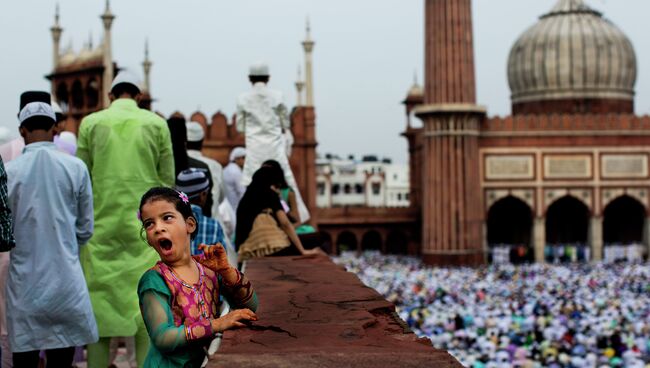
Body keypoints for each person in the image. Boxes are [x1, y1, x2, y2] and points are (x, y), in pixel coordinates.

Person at [76, 70, 175, 367]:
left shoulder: (91, 124)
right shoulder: (156, 124)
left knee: (99, 314)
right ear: (139, 96)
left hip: (100, 234)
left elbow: (82, 180)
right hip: (146, 233)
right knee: (148, 309)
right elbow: (167, 183)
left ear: (110, 95)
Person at [5, 101, 98, 367]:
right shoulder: (76, 168)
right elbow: (85, 228)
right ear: (55, 128)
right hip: (66, 284)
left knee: (25, 358)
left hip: (25, 286)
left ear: (22, 130)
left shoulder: (10, 172)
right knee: (62, 359)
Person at [137, 187, 258, 367]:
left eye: (167, 217)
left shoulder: (208, 269)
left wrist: (227, 271)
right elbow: (162, 338)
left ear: (190, 225)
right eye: (149, 223)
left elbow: (250, 306)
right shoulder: (154, 280)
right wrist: (215, 325)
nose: (158, 228)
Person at [236, 62, 310, 223]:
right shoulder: (278, 96)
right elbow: (285, 123)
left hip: (255, 151)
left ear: (250, 79)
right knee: (287, 183)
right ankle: (299, 219)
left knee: (251, 187)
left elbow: (240, 126)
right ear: (268, 78)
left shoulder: (242, 99)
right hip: (274, 149)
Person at [236, 166, 322, 261]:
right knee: (317, 238)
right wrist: (302, 251)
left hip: (248, 249)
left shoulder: (244, 200)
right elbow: (285, 224)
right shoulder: (270, 194)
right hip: (273, 248)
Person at [175, 169, 237, 267]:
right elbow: (222, 264)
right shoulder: (213, 226)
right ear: (202, 195)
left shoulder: (170, 223)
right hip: (206, 281)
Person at [166, 116, 215, 217]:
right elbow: (208, 204)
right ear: (185, 140)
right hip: (198, 225)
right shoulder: (201, 167)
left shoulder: (160, 168)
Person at [261, 160, 316, 235]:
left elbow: (296, 220)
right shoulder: (258, 192)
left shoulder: (288, 192)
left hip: (284, 228)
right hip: (265, 230)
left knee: (310, 230)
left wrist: (280, 200)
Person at [186, 121, 226, 217]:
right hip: (213, 224)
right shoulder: (215, 166)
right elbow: (220, 198)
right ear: (202, 141)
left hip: (181, 227)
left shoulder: (176, 164)